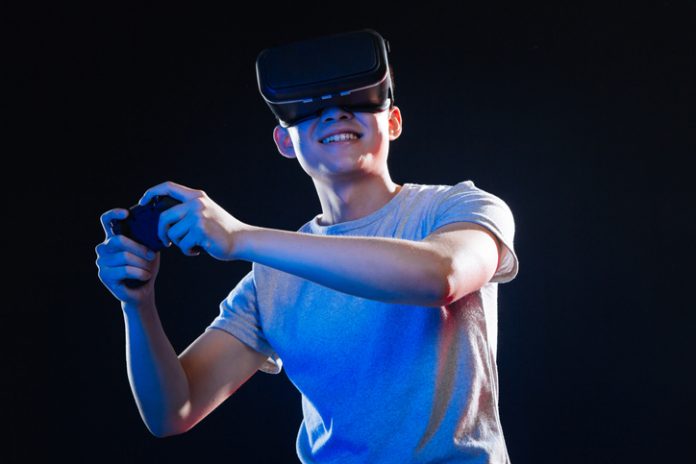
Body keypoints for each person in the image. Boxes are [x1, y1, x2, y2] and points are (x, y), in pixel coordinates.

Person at [96, 32, 519, 464]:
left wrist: (240, 237)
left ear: (393, 122)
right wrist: (138, 305)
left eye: (358, 100)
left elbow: (441, 276)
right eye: (311, 107)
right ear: (285, 141)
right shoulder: (271, 279)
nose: (335, 113)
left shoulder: (460, 208)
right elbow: (173, 410)